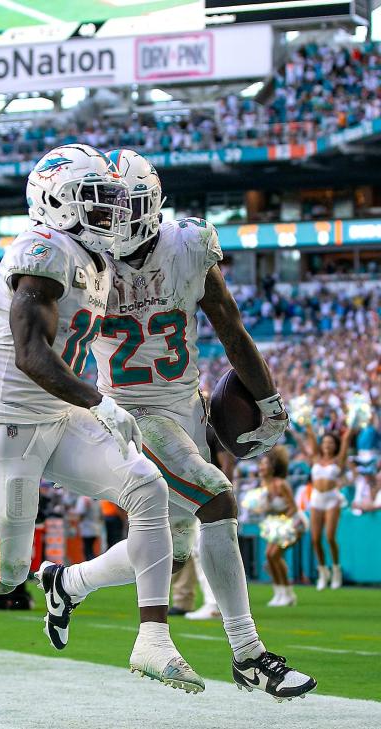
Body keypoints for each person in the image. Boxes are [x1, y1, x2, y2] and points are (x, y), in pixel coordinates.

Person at [0, 143, 204, 693]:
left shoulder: (96, 256)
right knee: (3, 573)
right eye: (94, 201)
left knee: (147, 487)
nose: (111, 214)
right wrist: (100, 401)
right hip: (7, 424)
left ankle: (153, 639)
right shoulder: (41, 249)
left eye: (112, 201)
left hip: (59, 416)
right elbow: (32, 354)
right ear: (56, 201)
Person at [56, 148, 314, 699]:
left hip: (185, 409)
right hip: (129, 418)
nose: (114, 219)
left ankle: (68, 582)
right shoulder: (80, 259)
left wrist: (267, 398)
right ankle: (249, 654)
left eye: (125, 206)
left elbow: (229, 326)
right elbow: (48, 348)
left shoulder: (190, 245)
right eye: (106, 208)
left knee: (169, 552)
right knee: (217, 498)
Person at [305, 425, 352, 590]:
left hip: (332, 498)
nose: (327, 445)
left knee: (330, 536)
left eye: (331, 442)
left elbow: (346, 439)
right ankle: (323, 571)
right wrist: (307, 421)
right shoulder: (316, 458)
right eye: (325, 442)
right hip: (316, 498)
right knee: (315, 539)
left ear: (335, 445)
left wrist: (353, 421)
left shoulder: (339, 459)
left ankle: (336, 569)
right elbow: (310, 433)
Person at [258, 448, 302, 607]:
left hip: (294, 522)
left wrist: (282, 523)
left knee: (274, 555)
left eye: (265, 464)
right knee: (270, 557)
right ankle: (280, 593)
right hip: (277, 524)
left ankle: (287, 593)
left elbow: (293, 508)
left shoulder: (281, 484)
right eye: (261, 464)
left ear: (273, 467)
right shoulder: (264, 485)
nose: (261, 467)